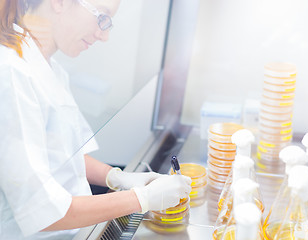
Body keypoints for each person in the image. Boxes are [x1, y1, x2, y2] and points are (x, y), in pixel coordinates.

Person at [0, 0, 192, 239]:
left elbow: (65, 155)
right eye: (102, 17)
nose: (104, 36)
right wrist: (140, 199)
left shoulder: (49, 68)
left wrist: (116, 177)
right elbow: (42, 210)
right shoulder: (12, 74)